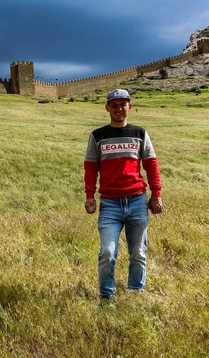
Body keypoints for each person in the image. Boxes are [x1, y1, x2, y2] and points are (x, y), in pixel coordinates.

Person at [84, 88, 163, 301]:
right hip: (109, 204)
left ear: (130, 106)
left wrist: (156, 193)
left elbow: (151, 165)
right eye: (115, 105)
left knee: (138, 253)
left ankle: (136, 293)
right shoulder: (97, 136)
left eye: (123, 104)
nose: (119, 108)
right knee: (107, 253)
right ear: (108, 108)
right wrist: (90, 196)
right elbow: (91, 167)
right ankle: (106, 297)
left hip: (137, 200)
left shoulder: (140, 133)